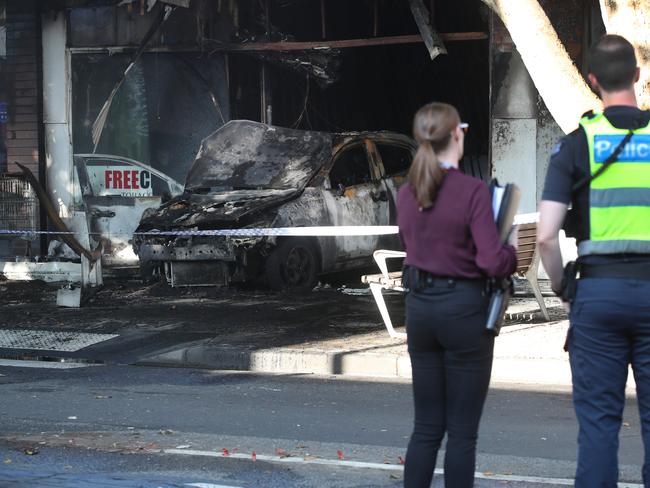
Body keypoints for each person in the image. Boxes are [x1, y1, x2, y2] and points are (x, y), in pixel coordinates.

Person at [538, 34, 650, 487]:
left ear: (592, 81)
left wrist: (566, 288)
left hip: (597, 296)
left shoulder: (575, 144)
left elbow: (546, 236)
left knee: (600, 427)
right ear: (638, 76)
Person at [397, 102, 518, 488]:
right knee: (462, 433)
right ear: (456, 134)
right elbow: (492, 261)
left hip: (420, 311)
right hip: (464, 312)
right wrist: (511, 249)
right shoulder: (472, 191)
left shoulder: (405, 193)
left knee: (426, 428)